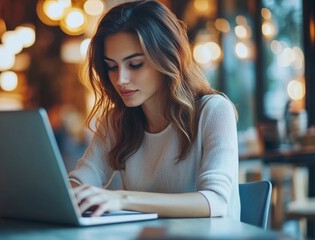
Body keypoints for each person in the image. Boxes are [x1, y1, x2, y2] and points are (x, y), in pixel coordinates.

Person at [68, 0, 240, 221]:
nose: (120, 79)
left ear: (167, 57)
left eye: (135, 64)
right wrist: (67, 194)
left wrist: (121, 199)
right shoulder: (116, 122)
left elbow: (214, 202)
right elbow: (81, 181)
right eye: (112, 66)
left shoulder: (214, 111)